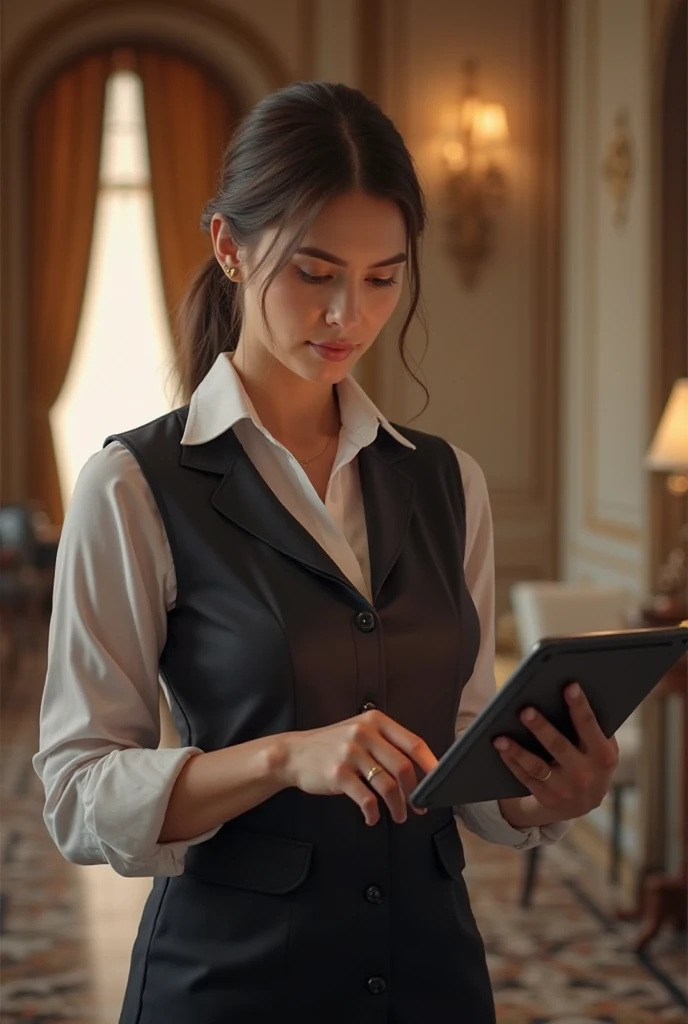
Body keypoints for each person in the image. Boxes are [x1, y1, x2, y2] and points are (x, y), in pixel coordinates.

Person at [34, 81, 619, 1023]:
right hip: (230, 986)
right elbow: (76, 790)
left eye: (383, 278)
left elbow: (468, 760)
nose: (348, 312)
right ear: (229, 246)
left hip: (435, 984)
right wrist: (279, 760)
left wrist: (549, 791)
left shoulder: (448, 482)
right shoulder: (134, 485)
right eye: (314, 272)